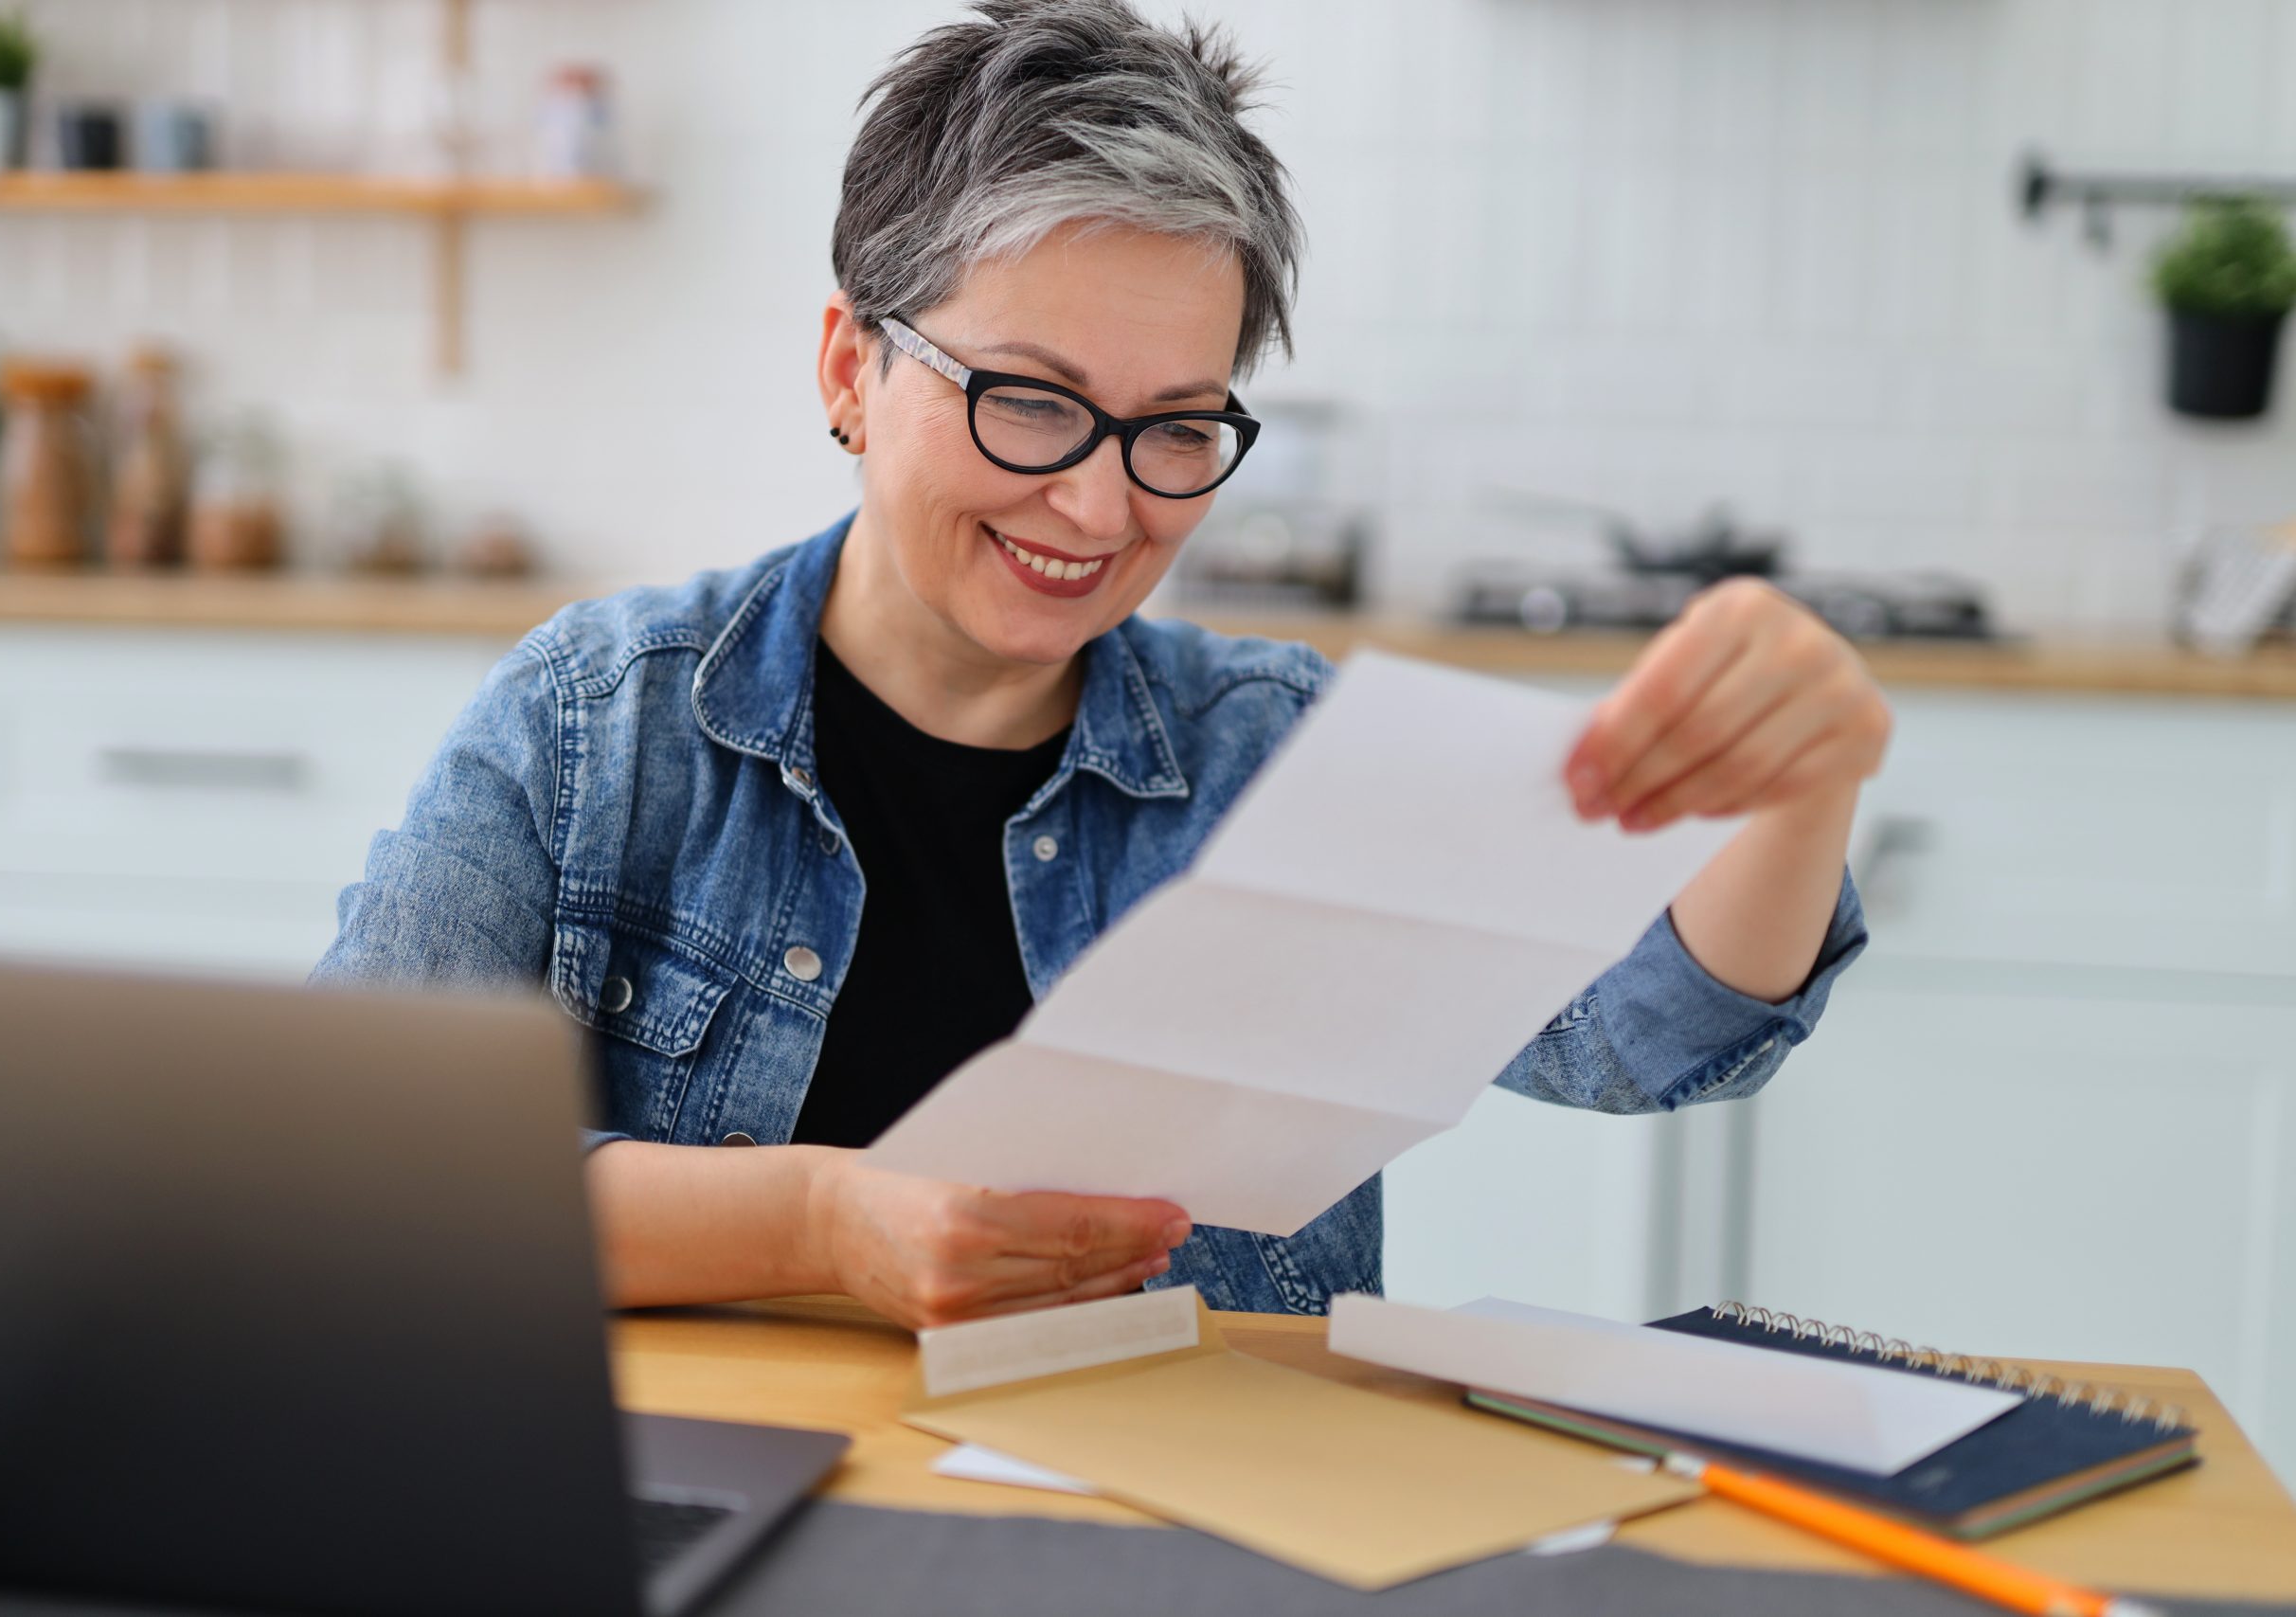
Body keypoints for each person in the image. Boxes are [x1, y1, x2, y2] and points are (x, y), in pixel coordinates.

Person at [315, 0, 1879, 1331]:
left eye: (1179, 427)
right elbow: (357, 1186)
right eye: (1033, 401)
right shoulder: (598, 727)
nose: (1101, 500)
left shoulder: (1283, 760)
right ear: (851, 367)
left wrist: (1801, 792)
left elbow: (1648, 1033)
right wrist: (816, 1225)